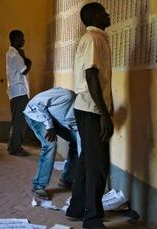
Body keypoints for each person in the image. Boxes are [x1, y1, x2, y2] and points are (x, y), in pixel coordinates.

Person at [65, 3, 113, 229]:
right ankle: (92, 218)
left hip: (86, 108)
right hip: (91, 109)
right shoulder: (94, 39)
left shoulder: (94, 38)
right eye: (104, 12)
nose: (108, 14)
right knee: (98, 164)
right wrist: (104, 114)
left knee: (87, 161)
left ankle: (77, 207)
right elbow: (91, 75)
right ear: (95, 16)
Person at [24, 87, 80, 200]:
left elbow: (80, 141)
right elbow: (38, 104)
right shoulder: (66, 96)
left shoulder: (81, 118)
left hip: (54, 120)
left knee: (75, 143)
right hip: (35, 113)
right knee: (50, 145)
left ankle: (67, 179)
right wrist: (49, 126)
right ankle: (38, 186)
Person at [6, 30, 32, 157]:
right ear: (15, 39)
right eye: (22, 38)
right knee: (19, 121)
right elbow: (24, 70)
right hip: (18, 92)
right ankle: (14, 148)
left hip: (19, 91)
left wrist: (24, 57)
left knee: (18, 120)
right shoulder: (13, 55)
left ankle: (13, 145)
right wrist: (29, 61)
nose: (24, 40)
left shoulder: (15, 53)